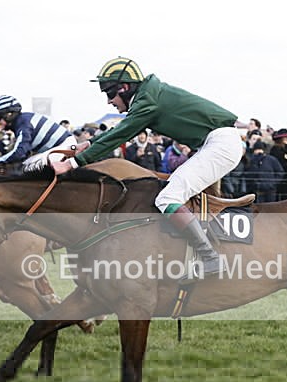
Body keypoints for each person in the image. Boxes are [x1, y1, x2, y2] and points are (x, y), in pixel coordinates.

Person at [50, 57, 241, 278]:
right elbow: (120, 130)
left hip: (220, 144)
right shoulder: (148, 96)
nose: (109, 101)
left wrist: (73, 164)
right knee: (171, 193)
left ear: (124, 87)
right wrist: (89, 145)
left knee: (167, 198)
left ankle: (210, 258)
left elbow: (122, 133)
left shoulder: (148, 101)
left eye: (109, 93)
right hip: (217, 143)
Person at [0, 95, 75, 169]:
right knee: (27, 163)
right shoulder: (23, 120)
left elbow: (19, 153)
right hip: (62, 146)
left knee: (27, 166)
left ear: (9, 115)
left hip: (63, 147)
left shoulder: (23, 124)